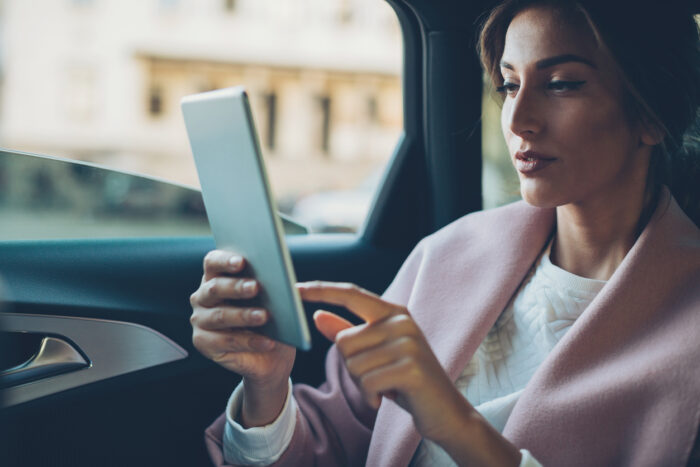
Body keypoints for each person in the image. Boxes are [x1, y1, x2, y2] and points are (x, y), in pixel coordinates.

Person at [189, 1, 700, 465]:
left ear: (650, 115)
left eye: (562, 83)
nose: (519, 119)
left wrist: (456, 425)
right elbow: (331, 448)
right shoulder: (447, 257)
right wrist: (268, 384)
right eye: (509, 85)